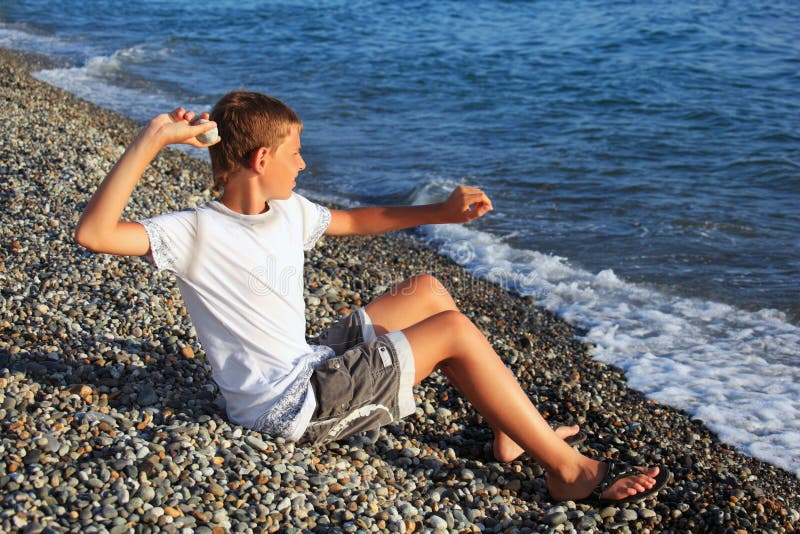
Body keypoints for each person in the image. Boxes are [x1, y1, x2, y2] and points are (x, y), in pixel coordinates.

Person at [75, 91, 670, 504]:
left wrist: (440, 212)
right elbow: (95, 234)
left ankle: (512, 432)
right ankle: (569, 473)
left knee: (429, 293)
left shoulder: (287, 212)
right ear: (261, 159)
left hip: (307, 361)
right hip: (287, 405)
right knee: (455, 333)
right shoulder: (194, 231)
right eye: (295, 152)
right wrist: (152, 137)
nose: (303, 163)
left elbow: (359, 221)